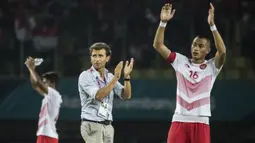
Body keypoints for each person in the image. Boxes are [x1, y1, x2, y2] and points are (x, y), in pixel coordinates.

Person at [153, 3, 226, 143]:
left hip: (201, 121)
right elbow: (158, 45)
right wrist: (162, 22)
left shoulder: (212, 67)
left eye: (200, 46)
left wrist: (212, 26)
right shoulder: (180, 61)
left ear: (207, 51)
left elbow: (222, 51)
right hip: (179, 119)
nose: (196, 48)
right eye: (194, 45)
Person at [78, 42, 134, 143]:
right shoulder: (85, 76)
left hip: (108, 125)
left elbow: (126, 95)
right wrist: (116, 78)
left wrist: (126, 77)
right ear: (90, 58)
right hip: (92, 124)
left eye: (100, 56)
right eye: (94, 56)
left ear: (107, 58)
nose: (97, 59)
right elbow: (99, 96)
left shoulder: (109, 76)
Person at [25, 57, 63, 143]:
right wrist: (31, 69)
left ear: (53, 83)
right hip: (45, 135)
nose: (44, 84)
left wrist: (31, 68)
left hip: (47, 135)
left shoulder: (54, 94)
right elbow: (35, 85)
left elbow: (38, 83)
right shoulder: (49, 96)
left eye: (45, 82)